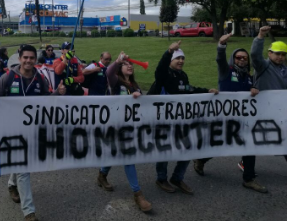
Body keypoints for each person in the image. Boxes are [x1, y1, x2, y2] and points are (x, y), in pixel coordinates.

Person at [0, 45, 66, 221]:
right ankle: (29, 212)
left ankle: (11, 184)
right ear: (20, 59)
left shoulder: (40, 79)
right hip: (11, 130)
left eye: (32, 58)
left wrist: (58, 93)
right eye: (26, 58)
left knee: (20, 163)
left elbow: (47, 100)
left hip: (31, 130)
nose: (29, 61)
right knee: (24, 169)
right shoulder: (8, 78)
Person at [192, 33, 266, 192]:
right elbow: (220, 60)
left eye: (245, 58)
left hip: (244, 119)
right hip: (225, 118)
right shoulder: (227, 71)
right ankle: (201, 159)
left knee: (249, 146)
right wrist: (221, 45)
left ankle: (249, 178)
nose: (242, 60)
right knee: (219, 145)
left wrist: (254, 89)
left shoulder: (249, 77)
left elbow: (251, 94)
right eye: (239, 57)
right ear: (234, 59)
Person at [152, 40, 218, 195]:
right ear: (171, 61)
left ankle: (177, 177)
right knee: (165, 150)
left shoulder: (183, 75)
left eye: (183, 58)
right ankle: (161, 178)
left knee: (188, 147)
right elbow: (160, 68)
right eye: (177, 58)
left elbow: (189, 90)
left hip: (181, 120)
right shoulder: (164, 73)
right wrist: (168, 52)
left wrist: (206, 91)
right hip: (164, 120)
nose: (181, 61)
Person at [95, 51, 151, 212]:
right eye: (127, 64)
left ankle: (102, 174)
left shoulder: (135, 85)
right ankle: (137, 193)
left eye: (131, 64)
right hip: (115, 126)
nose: (130, 66)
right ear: (120, 68)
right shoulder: (115, 82)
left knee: (115, 153)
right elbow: (108, 71)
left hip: (130, 128)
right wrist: (118, 61)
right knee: (127, 157)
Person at [250, 26, 287, 164]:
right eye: (277, 54)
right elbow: (254, 54)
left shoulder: (285, 70)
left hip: (278, 111)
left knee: (284, 138)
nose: (280, 57)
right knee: (249, 139)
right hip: (261, 110)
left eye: (283, 54)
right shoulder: (262, 66)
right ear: (269, 53)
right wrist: (260, 36)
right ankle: (204, 159)